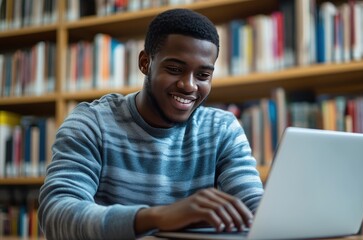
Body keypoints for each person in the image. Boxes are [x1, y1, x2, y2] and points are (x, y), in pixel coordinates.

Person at [38, 8, 264, 240]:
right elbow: (56, 214)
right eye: (175, 69)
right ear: (145, 63)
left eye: (203, 76)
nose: (189, 86)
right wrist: (157, 217)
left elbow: (256, 208)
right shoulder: (92, 123)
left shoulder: (222, 129)